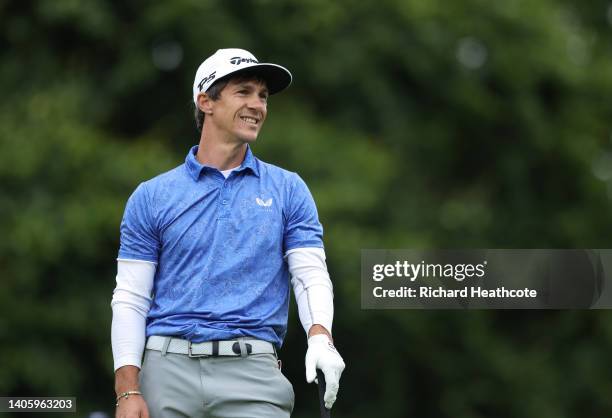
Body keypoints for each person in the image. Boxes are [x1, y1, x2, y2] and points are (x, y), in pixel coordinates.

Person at [111, 48, 345, 418]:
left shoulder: (288, 189)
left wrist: (320, 336)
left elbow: (310, 274)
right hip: (166, 371)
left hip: (253, 374)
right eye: (244, 92)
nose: (258, 105)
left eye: (263, 96)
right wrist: (127, 391)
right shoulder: (152, 196)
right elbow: (131, 297)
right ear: (206, 101)